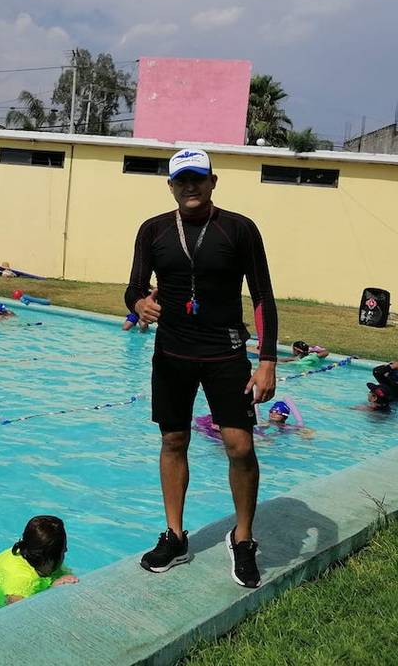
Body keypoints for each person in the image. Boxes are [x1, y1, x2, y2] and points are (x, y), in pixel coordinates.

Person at [127, 148, 278, 589]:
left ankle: (244, 538)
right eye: (181, 179)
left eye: (198, 178)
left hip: (226, 352)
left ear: (214, 181)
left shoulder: (239, 229)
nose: (190, 186)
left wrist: (267, 359)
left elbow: (263, 296)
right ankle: (175, 536)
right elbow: (135, 285)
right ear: (171, 186)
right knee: (173, 439)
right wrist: (137, 302)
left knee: (239, 447)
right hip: (172, 354)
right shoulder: (153, 230)